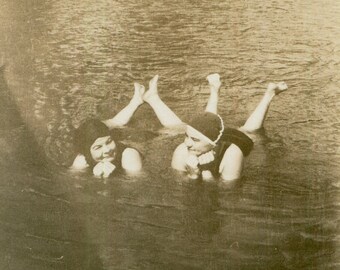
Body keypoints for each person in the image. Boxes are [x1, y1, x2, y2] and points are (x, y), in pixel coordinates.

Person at [142, 73, 288, 182]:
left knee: (250, 131)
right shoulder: (182, 150)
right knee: (179, 127)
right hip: (210, 137)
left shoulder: (232, 153)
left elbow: (226, 193)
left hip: (236, 138)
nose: (187, 142)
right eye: (187, 137)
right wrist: (193, 175)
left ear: (213, 144)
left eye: (194, 140)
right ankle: (154, 99)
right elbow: (178, 186)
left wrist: (203, 173)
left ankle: (269, 94)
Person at [71, 82, 146, 178]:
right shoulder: (82, 159)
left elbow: (136, 187)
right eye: (98, 147)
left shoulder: (129, 155)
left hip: (137, 140)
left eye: (109, 142)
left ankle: (136, 102)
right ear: (87, 152)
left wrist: (106, 180)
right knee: (110, 123)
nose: (107, 150)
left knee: (109, 124)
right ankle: (136, 101)